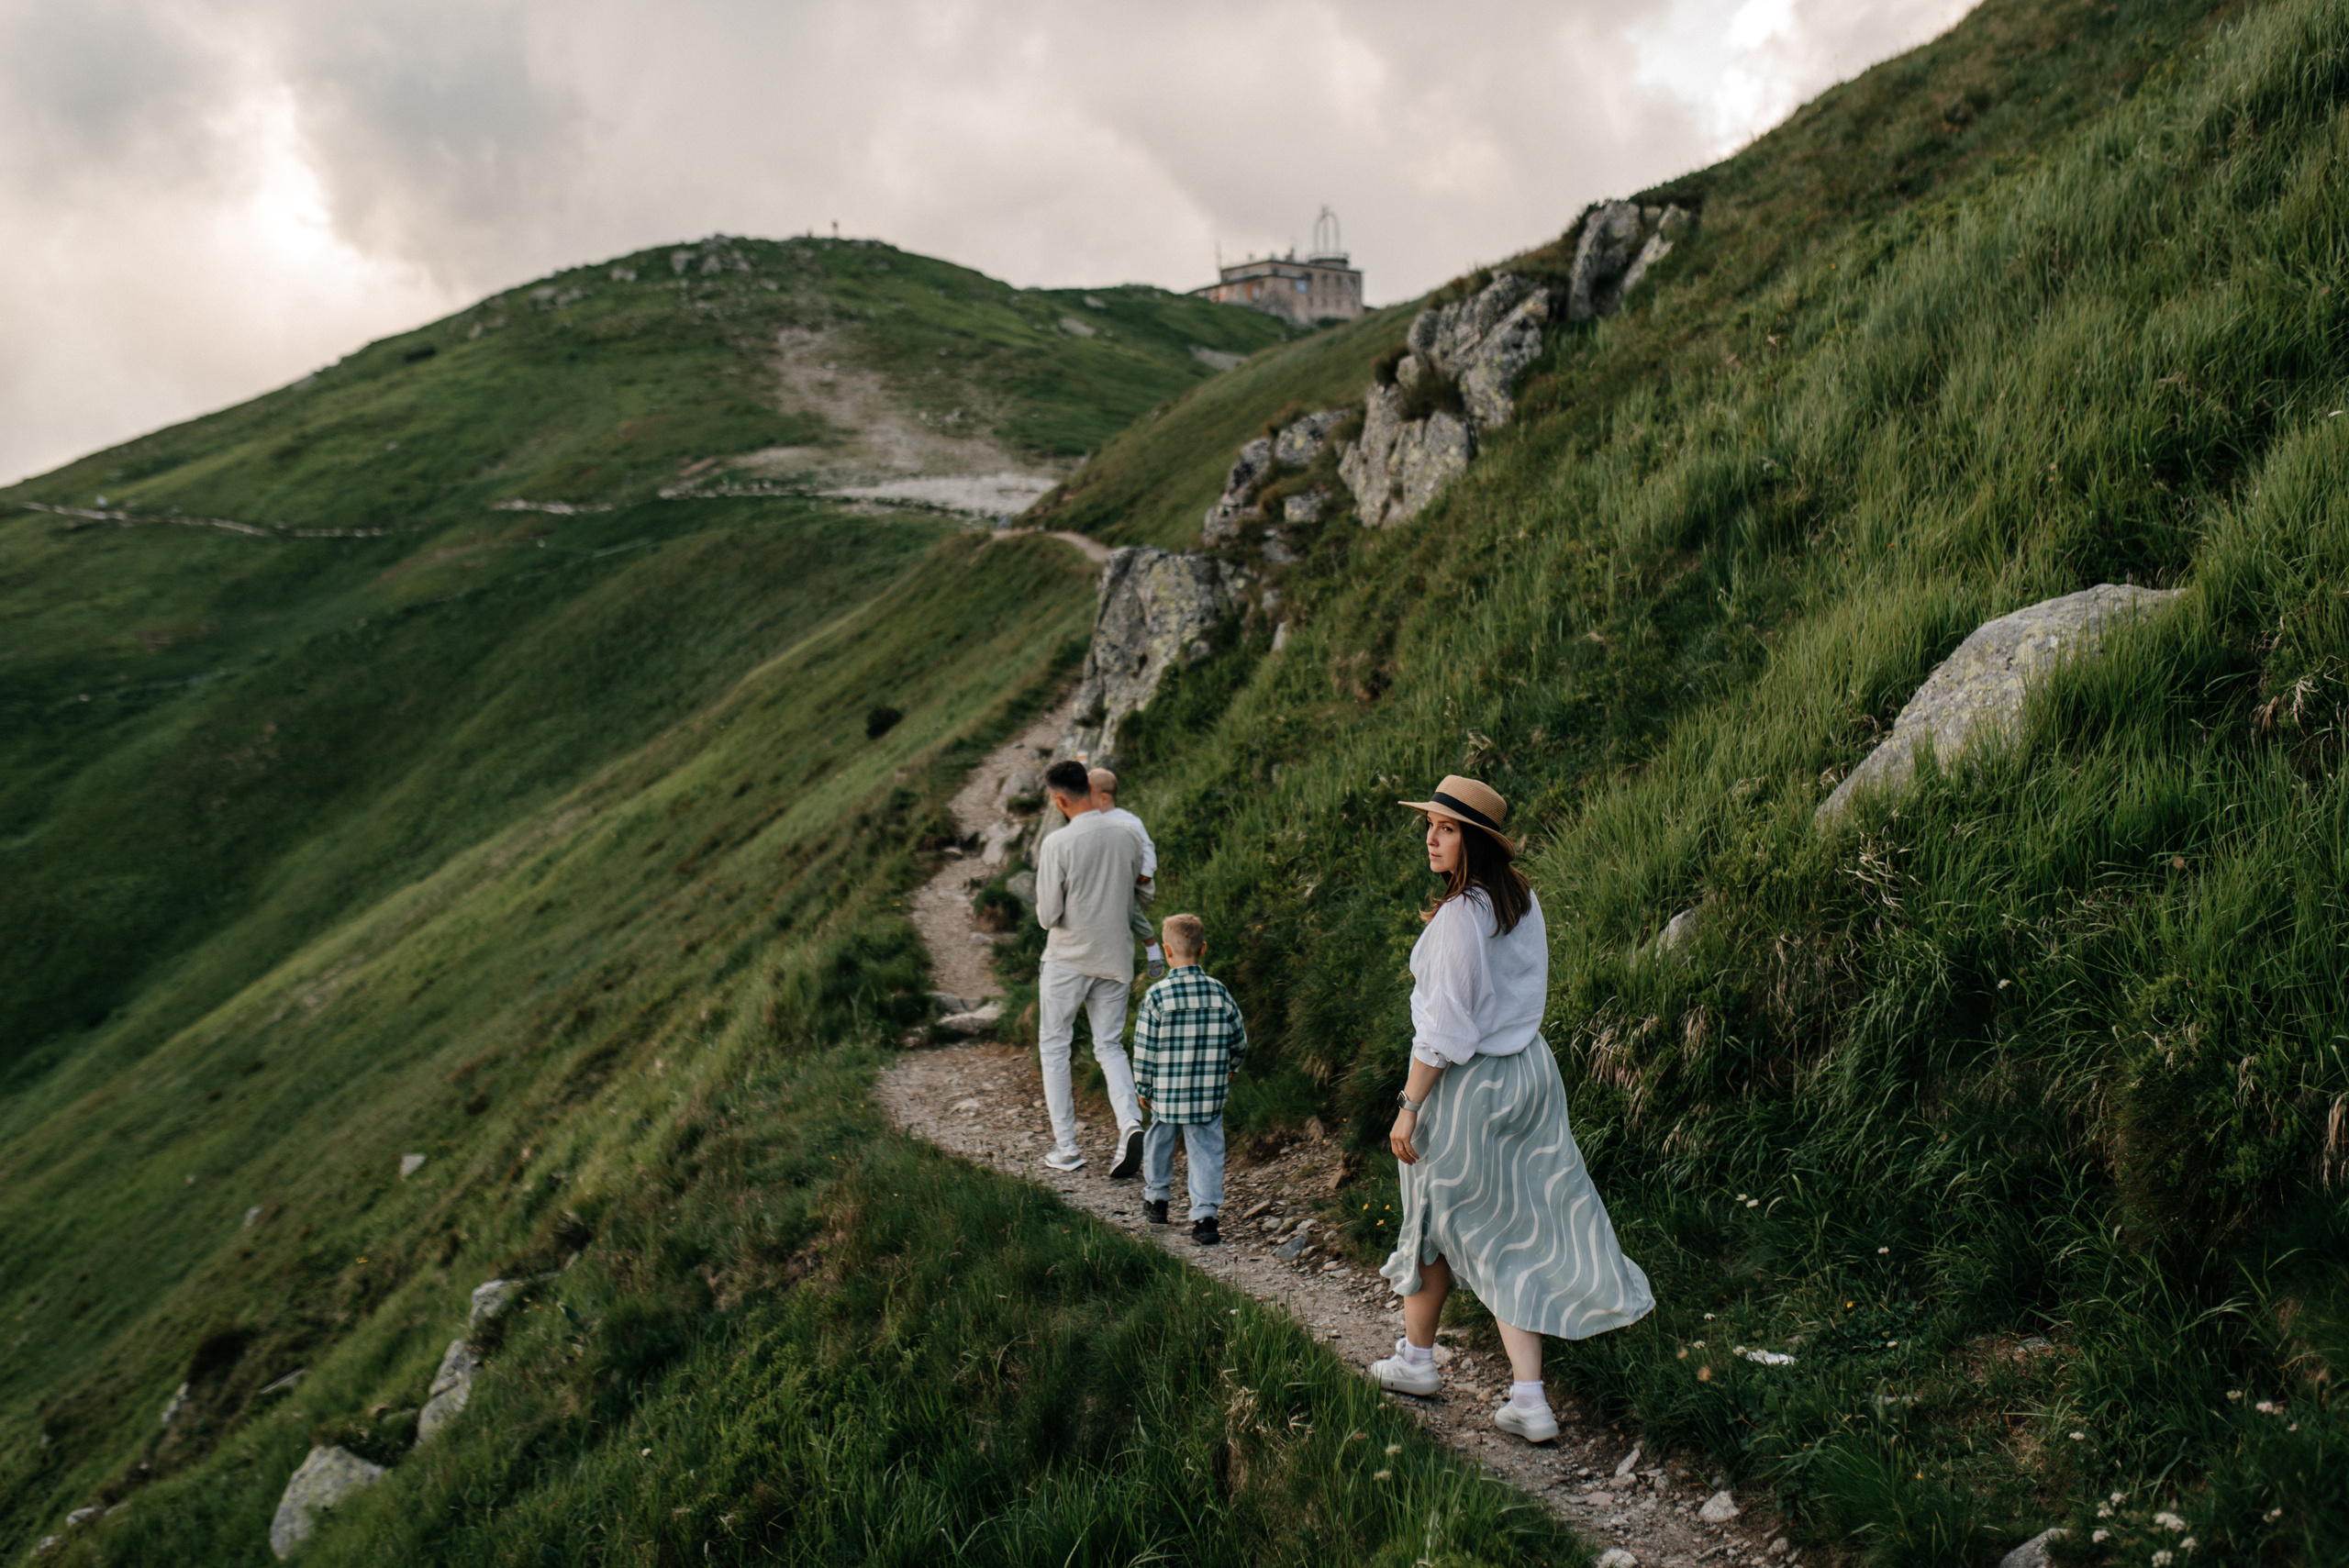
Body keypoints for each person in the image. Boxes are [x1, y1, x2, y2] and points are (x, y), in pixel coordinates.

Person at [1370, 774, 1653, 1444]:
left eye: (1445, 827)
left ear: (1474, 839)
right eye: (1431, 825)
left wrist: (1410, 1104)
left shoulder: (1461, 916)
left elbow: (1444, 1029)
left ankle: (1485, 1384)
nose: (1431, 838)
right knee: (1501, 1221)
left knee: (1457, 1218)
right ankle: (1461, 1373)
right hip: (1529, 1072)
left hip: (1473, 1084)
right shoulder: (1521, 899)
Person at [1033, 758, 1147, 1177]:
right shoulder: (1127, 834)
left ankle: (1067, 1148)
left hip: (1068, 957)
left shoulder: (1057, 844)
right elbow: (1137, 892)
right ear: (1088, 786)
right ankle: (1130, 1125)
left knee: (1055, 1046)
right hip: (1116, 955)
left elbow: (1048, 915)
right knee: (1109, 1046)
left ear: (1060, 799)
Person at [1130, 913, 1246, 1246]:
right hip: (1208, 1094)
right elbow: (1240, 1040)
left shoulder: (1157, 996)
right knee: (1207, 1150)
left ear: (1166, 951)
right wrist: (1231, 1067)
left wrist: (1143, 1087)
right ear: (1204, 949)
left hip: (1166, 1093)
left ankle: (1157, 1201)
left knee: (1158, 1142)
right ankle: (1205, 1219)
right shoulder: (1218, 992)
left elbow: (1144, 1049)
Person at [1089, 767, 1164, 979]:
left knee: (1130, 910)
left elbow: (1147, 846)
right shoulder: (1090, 823)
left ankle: (1153, 950)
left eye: (1088, 796)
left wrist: (1147, 870)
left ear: (1103, 798)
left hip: (1127, 879)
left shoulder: (1128, 820)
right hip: (1104, 881)